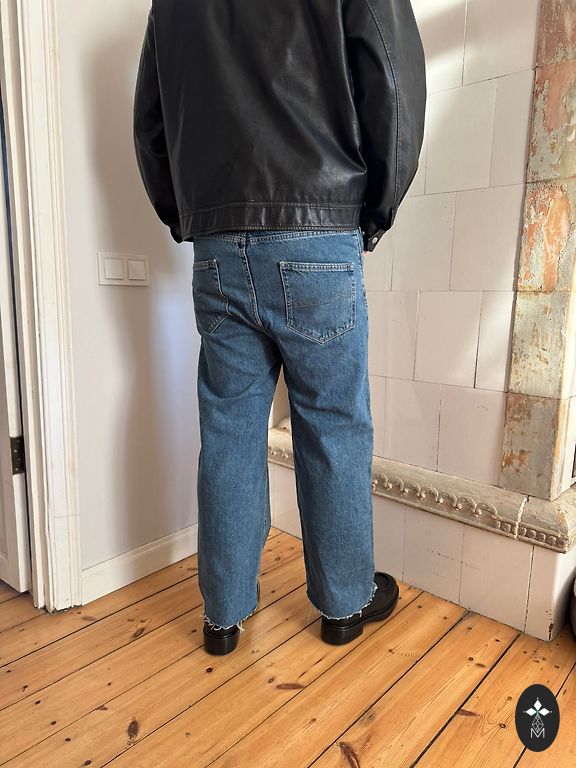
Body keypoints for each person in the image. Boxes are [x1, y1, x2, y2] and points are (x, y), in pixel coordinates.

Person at [133, 0, 426, 655]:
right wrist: (374, 209)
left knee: (229, 429)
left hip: (217, 242)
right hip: (318, 227)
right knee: (332, 424)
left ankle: (223, 615)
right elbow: (393, 86)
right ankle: (343, 604)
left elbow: (150, 122)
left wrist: (188, 217)